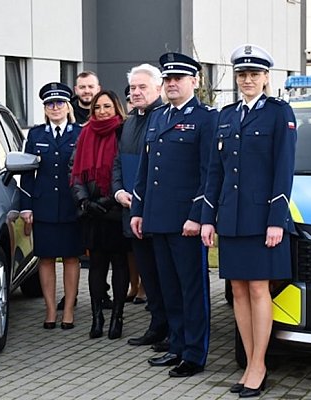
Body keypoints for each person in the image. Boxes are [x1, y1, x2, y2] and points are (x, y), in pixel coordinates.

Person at [200, 44, 297, 397]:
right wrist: (207, 218)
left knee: (258, 289)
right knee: (238, 289)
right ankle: (249, 360)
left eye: (254, 74)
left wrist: (276, 219)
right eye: (242, 74)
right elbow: (215, 172)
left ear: (266, 77)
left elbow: (284, 170)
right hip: (230, 217)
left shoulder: (278, 113)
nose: (247, 80)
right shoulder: (225, 116)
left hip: (262, 218)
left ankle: (259, 364)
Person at [130, 52, 217, 378]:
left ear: (193, 81)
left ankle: (195, 354)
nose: (171, 84)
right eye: (167, 79)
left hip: (186, 222)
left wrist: (198, 215)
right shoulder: (158, 117)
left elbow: (209, 172)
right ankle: (177, 346)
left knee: (192, 289)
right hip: (158, 218)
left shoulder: (206, 118)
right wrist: (138, 211)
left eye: (177, 79)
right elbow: (144, 171)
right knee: (169, 288)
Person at [20, 82, 83, 330]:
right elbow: (27, 174)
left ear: (68, 106)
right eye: (49, 104)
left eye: (59, 103)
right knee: (45, 259)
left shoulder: (79, 133)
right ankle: (49, 311)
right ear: (45, 109)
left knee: (70, 258)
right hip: (43, 205)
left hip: (71, 205)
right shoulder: (36, 135)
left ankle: (68, 309)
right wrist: (26, 207)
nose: (55, 108)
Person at [113, 64, 168, 349]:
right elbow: (119, 162)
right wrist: (118, 191)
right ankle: (157, 326)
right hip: (131, 210)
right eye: (133, 88)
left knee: (164, 274)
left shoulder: (164, 118)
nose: (136, 92)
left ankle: (171, 328)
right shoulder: (130, 122)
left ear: (158, 88)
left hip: (158, 213)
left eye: (142, 87)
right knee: (147, 271)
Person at [70, 90, 131, 340]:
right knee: (96, 266)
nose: (102, 111)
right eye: (97, 107)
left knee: (119, 264)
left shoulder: (123, 132)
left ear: (116, 108)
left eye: (107, 106)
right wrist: (84, 201)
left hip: (116, 210)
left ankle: (117, 317)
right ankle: (97, 318)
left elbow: (125, 168)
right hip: (92, 212)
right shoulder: (85, 132)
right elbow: (74, 171)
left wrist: (109, 200)